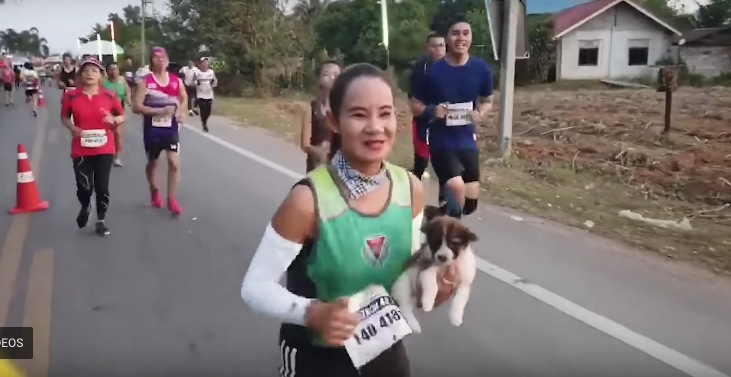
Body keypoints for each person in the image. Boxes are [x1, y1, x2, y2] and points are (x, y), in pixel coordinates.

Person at [240, 63, 458, 377]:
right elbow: (255, 287)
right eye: (358, 114)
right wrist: (312, 313)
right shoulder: (307, 201)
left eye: (385, 113)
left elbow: (401, 276)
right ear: (334, 121)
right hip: (317, 358)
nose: (375, 127)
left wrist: (433, 288)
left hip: (385, 349)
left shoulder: (410, 187)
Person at [411, 16, 494, 219]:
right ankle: (450, 238)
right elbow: (415, 106)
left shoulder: (480, 69)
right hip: (441, 140)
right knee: (456, 189)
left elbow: (488, 99)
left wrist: (480, 113)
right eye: (455, 33)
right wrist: (433, 111)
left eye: (465, 33)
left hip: (467, 140)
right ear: (447, 38)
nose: (461, 38)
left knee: (470, 204)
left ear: (471, 38)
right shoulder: (433, 72)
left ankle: (437, 216)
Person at [61, 57, 124, 237]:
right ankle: (85, 205)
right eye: (86, 70)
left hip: (104, 147)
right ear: (80, 74)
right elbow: (64, 117)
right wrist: (73, 128)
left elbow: (121, 116)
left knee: (102, 187)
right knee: (84, 187)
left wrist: (114, 120)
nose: (90, 74)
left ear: (100, 76)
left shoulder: (109, 96)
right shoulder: (71, 95)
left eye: (94, 71)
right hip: (81, 147)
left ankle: (101, 220)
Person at [132, 47, 187, 216]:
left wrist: (182, 112)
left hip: (170, 127)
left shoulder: (176, 80)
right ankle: (154, 189)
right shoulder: (145, 82)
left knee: (174, 163)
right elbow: (136, 106)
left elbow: (183, 98)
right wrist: (158, 111)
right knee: (153, 163)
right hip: (152, 128)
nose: (161, 60)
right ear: (151, 61)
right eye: (156, 58)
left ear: (168, 60)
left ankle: (172, 199)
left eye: (163, 57)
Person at [409, 31, 446, 205]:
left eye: (442, 45)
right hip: (424, 123)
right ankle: (413, 202)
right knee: (421, 164)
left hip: (448, 126)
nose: (438, 49)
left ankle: (443, 207)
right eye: (434, 45)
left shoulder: (455, 68)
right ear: (427, 48)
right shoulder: (420, 69)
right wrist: (432, 111)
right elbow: (414, 105)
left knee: (446, 168)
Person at [300, 60, 340, 172]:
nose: (332, 77)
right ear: (318, 80)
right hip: (317, 168)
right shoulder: (311, 108)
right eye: (326, 74)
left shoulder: (344, 109)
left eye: (336, 75)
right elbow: (305, 145)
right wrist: (319, 152)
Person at [103, 62, 132, 167]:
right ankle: (105, 154)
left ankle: (116, 157)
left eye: (116, 69)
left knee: (118, 135)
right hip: (104, 111)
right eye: (111, 69)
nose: (114, 72)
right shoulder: (102, 82)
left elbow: (127, 91)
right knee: (106, 134)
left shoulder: (122, 80)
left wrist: (129, 102)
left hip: (118, 111)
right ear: (107, 71)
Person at [194, 57, 217, 132]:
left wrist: (213, 83)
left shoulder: (211, 72)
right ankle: (204, 124)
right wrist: (196, 83)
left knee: (208, 111)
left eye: (206, 63)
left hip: (209, 94)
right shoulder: (197, 73)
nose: (205, 64)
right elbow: (193, 81)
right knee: (203, 110)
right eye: (203, 63)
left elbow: (215, 82)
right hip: (200, 94)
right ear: (200, 64)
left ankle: (205, 121)